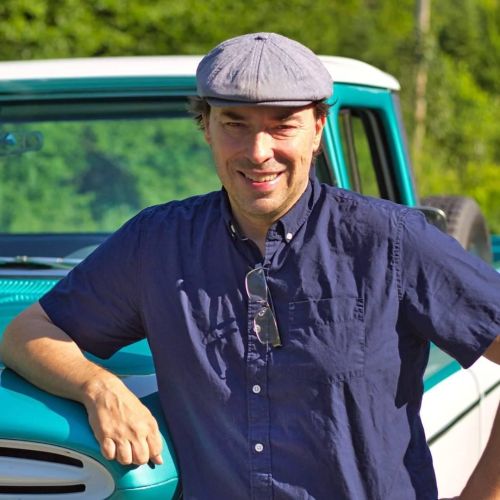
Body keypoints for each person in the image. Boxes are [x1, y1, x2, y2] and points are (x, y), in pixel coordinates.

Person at [0, 32, 499, 500]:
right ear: (206, 128)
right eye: (235, 124)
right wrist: (98, 386)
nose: (259, 153)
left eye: (283, 125)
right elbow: (28, 331)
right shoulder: (156, 243)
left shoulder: (392, 239)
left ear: (317, 129)